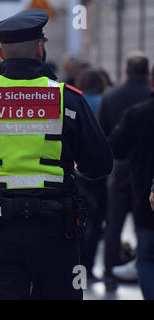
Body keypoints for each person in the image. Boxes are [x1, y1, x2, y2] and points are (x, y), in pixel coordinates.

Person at [0, 8, 113, 300]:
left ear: (1, 54)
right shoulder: (67, 99)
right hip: (56, 232)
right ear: (40, 49)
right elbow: (100, 164)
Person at [98, 52, 151, 291]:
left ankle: (110, 273)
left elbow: (106, 140)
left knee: (114, 223)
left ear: (127, 70)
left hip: (122, 172)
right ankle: (142, 262)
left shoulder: (111, 96)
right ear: (146, 73)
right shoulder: (144, 99)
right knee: (146, 229)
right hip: (146, 176)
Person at [108, 64, 154, 299]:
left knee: (146, 256)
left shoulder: (136, 113)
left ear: (151, 81)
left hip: (143, 194)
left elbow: (116, 148)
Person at [74, 69, 109, 281]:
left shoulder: (76, 100)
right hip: (98, 171)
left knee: (76, 217)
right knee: (95, 221)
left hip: (77, 171)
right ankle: (88, 267)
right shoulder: (104, 100)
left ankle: (74, 263)